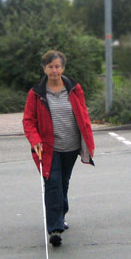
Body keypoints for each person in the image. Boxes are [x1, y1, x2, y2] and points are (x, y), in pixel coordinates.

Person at [22, 50, 95, 247]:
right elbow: (29, 120)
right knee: (52, 182)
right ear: (44, 68)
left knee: (63, 181)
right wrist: (34, 139)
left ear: (63, 68)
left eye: (57, 66)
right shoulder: (36, 94)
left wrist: (86, 141)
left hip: (70, 146)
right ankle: (55, 228)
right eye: (50, 66)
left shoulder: (74, 89)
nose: (54, 70)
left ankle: (61, 214)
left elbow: (83, 115)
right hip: (48, 148)